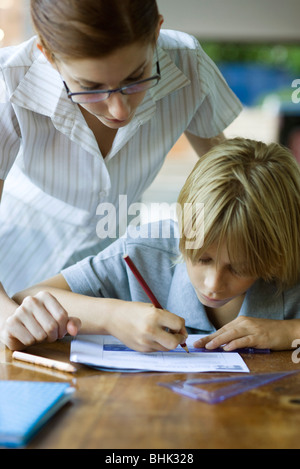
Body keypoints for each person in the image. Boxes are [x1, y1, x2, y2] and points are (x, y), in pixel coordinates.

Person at [0, 0, 242, 296]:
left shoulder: (188, 63)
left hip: (112, 257)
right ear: (48, 56)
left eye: (136, 77)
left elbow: (232, 179)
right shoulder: (8, 81)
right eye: (90, 87)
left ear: (156, 34)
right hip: (18, 251)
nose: (119, 110)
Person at [1, 137, 300, 353]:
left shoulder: (289, 259)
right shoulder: (147, 248)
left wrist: (286, 332)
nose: (213, 284)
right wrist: (112, 317)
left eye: (240, 268)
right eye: (201, 259)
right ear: (182, 228)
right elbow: (27, 298)